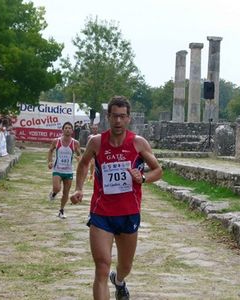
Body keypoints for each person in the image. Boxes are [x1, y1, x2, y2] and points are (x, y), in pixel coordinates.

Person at [70, 96, 162, 300]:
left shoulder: (138, 143)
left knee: (125, 266)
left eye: (122, 117)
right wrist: (78, 189)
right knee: (102, 267)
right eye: (114, 116)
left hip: (129, 213)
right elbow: (84, 163)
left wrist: (143, 177)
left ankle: (119, 281)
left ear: (128, 118)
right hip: (101, 213)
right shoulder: (96, 142)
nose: (118, 121)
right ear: (108, 117)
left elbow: (158, 170)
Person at [48, 121, 81, 219]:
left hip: (68, 171)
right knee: (57, 188)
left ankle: (61, 211)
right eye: (65, 128)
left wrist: (78, 156)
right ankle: (53, 193)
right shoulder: (56, 141)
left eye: (69, 128)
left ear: (72, 131)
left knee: (66, 192)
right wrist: (49, 161)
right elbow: (50, 150)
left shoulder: (75, 143)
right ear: (62, 130)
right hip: (57, 169)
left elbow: (79, 154)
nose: (67, 129)